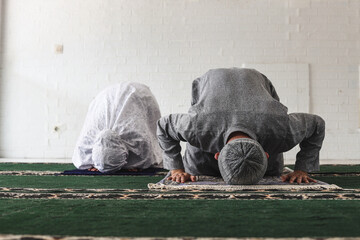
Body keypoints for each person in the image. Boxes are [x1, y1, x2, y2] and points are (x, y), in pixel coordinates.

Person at [157, 68, 325, 184]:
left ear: (266, 154)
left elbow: (317, 125)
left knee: (272, 171)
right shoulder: (197, 126)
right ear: (217, 155)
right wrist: (176, 169)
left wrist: (302, 168)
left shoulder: (281, 129)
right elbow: (164, 126)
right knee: (197, 169)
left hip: (257, 84)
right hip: (210, 85)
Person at [72, 82, 163, 173]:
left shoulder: (138, 139)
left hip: (140, 94)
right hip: (105, 96)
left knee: (151, 130)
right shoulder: (84, 146)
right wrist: (99, 165)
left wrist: (136, 163)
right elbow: (81, 161)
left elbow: (149, 156)